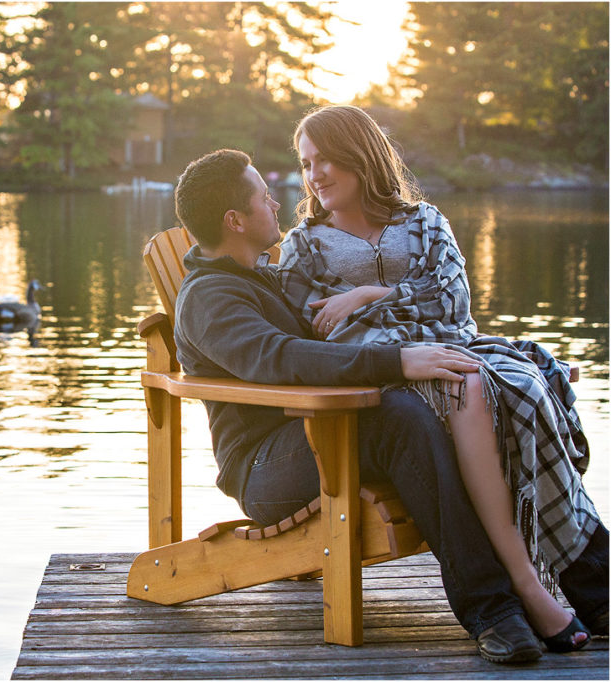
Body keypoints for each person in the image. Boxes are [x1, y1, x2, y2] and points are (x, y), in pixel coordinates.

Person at [172, 148, 608, 664]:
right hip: (265, 467)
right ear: (235, 220)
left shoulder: (268, 277)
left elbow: (339, 334)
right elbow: (281, 358)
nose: (276, 202)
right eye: (263, 197)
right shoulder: (209, 297)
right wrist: (400, 361)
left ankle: (590, 581)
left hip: (324, 431)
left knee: (481, 398)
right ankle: (494, 608)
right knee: (400, 418)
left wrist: (392, 313)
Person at [276, 104, 608, 652]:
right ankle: (534, 583)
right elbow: (311, 328)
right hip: (386, 383)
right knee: (469, 383)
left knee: (517, 388)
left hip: (454, 354)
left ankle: (568, 578)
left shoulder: (424, 221)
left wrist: (365, 297)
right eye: (306, 164)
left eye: (326, 159)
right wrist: (400, 318)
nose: (315, 176)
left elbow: (454, 303)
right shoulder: (304, 245)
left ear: (360, 155)